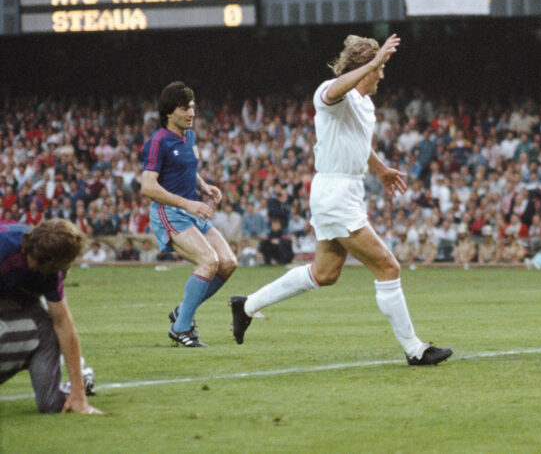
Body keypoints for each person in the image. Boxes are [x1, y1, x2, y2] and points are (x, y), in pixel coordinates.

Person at [230, 34, 452, 366]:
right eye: (379, 69)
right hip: (334, 193)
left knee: (325, 272)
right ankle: (414, 349)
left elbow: (358, 143)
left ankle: (245, 306)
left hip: (344, 190)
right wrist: (373, 62)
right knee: (388, 266)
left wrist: (380, 170)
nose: (382, 75)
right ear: (365, 68)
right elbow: (334, 91)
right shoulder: (329, 93)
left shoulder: (365, 104)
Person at [140, 81, 238, 348]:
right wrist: (187, 204)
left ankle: (182, 311)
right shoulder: (157, 142)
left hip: (191, 209)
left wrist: (204, 187)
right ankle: (181, 328)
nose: (191, 113)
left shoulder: (189, 137)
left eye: (192, 107)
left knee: (228, 263)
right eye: (185, 108)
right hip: (169, 212)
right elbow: (148, 186)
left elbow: (186, 169)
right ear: (170, 112)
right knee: (208, 261)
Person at [0, 219, 102, 414]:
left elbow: (63, 322)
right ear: (53, 263)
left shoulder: (46, 267)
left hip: (18, 299)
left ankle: (76, 383)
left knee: (53, 405)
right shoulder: (5, 251)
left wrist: (79, 395)